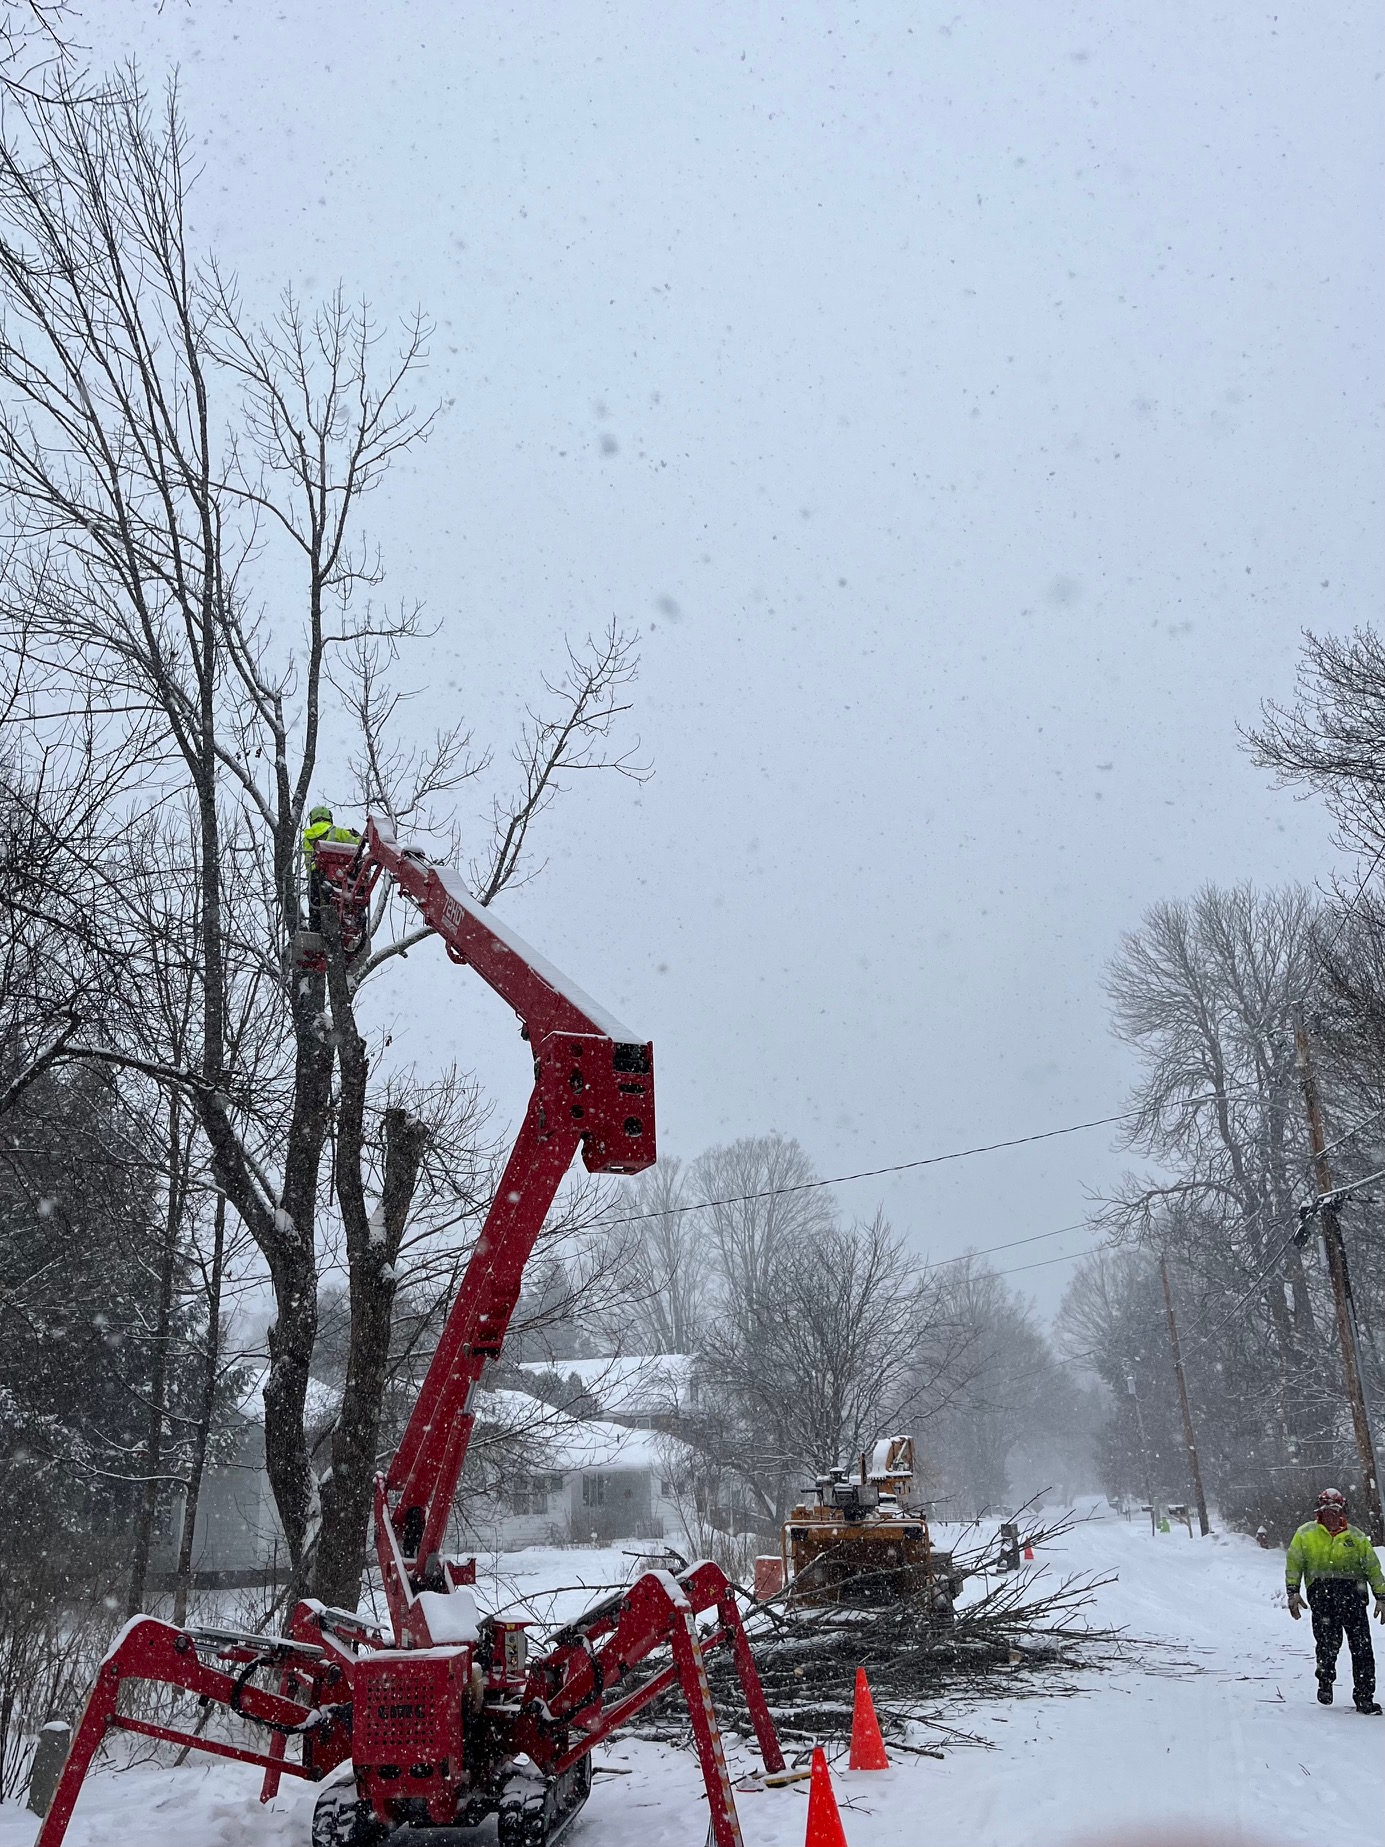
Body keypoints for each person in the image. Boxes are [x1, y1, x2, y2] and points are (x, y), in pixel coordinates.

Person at [1285, 1486, 1385, 1714]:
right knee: (1328, 1645)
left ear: (1343, 1512)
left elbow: (1373, 1568)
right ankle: (1325, 1680)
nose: (1330, 1516)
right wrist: (1293, 1591)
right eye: (1326, 1511)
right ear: (1319, 1513)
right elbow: (1294, 1563)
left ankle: (1364, 1697)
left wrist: (1381, 1596)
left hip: (1354, 1598)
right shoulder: (1305, 1534)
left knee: (1362, 1649)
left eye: (1335, 1511)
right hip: (1322, 1599)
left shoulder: (1356, 1537)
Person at [301, 804, 362, 938]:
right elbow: (358, 845)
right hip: (335, 876)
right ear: (329, 818)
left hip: (314, 876)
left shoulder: (306, 838)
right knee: (337, 905)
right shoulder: (337, 831)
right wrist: (357, 837)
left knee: (316, 907)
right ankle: (341, 930)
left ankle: (316, 931)